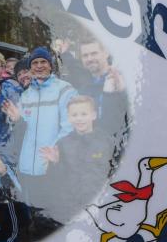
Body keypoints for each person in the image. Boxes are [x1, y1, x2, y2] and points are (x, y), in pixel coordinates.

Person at [2, 46, 77, 217]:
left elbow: (70, 127)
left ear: (50, 65)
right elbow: (19, 130)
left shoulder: (65, 90)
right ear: (30, 68)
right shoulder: (26, 95)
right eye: (35, 63)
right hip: (27, 167)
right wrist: (16, 120)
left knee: (54, 214)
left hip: (52, 165)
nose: (39, 66)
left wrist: (54, 151)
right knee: (34, 213)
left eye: (43, 62)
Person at [41, 95, 114, 223]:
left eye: (84, 114)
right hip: (72, 207)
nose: (79, 118)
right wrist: (55, 163)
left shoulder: (107, 141)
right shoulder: (63, 144)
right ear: (69, 118)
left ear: (94, 115)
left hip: (100, 205)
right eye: (74, 115)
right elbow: (57, 181)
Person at [74, 40, 129, 138]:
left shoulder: (123, 80)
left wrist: (122, 91)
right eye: (85, 55)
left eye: (94, 53)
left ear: (106, 53)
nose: (89, 58)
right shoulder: (83, 90)